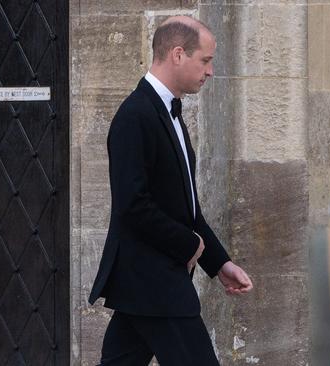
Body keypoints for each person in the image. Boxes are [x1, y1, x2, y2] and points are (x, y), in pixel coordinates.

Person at [88, 16, 253, 365]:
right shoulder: (135, 115)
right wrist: (189, 244)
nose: (209, 72)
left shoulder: (169, 113)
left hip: (146, 287)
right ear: (178, 54)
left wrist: (219, 262)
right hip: (155, 283)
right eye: (205, 60)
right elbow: (132, 205)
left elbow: (186, 208)